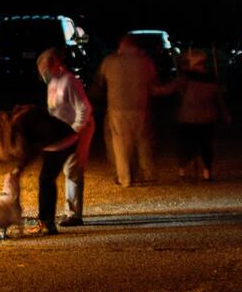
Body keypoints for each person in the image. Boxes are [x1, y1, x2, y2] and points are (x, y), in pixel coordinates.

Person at [93, 34, 176, 187]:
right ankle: (148, 174)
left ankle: (125, 178)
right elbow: (154, 86)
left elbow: (99, 82)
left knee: (120, 144)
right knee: (143, 141)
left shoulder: (110, 61)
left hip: (117, 108)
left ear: (122, 45)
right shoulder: (146, 62)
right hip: (141, 107)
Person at [37, 47, 93, 229]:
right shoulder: (52, 82)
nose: (42, 73)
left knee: (72, 169)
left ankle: (74, 214)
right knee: (62, 169)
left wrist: (76, 129)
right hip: (62, 132)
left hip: (78, 129)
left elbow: (84, 107)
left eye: (44, 68)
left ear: (55, 64)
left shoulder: (69, 81)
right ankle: (66, 211)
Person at [171, 49, 231, 181]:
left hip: (189, 118)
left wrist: (152, 89)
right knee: (205, 145)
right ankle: (206, 171)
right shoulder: (210, 79)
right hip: (206, 117)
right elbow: (219, 99)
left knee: (188, 145)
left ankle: (183, 170)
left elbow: (169, 89)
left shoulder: (185, 79)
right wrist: (225, 114)